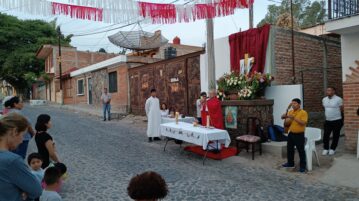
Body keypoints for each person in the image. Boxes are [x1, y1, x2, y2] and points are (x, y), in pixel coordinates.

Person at [0, 113, 42, 201]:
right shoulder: (12, 161)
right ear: (15, 132)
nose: (22, 140)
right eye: (23, 135)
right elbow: (36, 190)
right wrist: (23, 193)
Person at [281, 98, 308, 173]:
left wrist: (294, 118)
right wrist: (284, 115)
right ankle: (290, 163)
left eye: (295, 103)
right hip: (291, 133)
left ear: (299, 104)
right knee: (289, 149)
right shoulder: (290, 111)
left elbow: (303, 123)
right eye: (292, 103)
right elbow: (282, 118)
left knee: (301, 151)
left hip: (299, 134)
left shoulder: (303, 112)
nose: (293, 105)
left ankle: (302, 166)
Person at [322, 87, 343, 156]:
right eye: (327, 90)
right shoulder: (324, 99)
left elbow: (342, 109)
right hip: (328, 121)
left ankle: (332, 149)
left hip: (337, 120)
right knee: (325, 135)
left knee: (335, 135)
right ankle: (326, 148)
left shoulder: (338, 99)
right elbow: (324, 108)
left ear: (334, 91)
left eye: (329, 90)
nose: (328, 91)